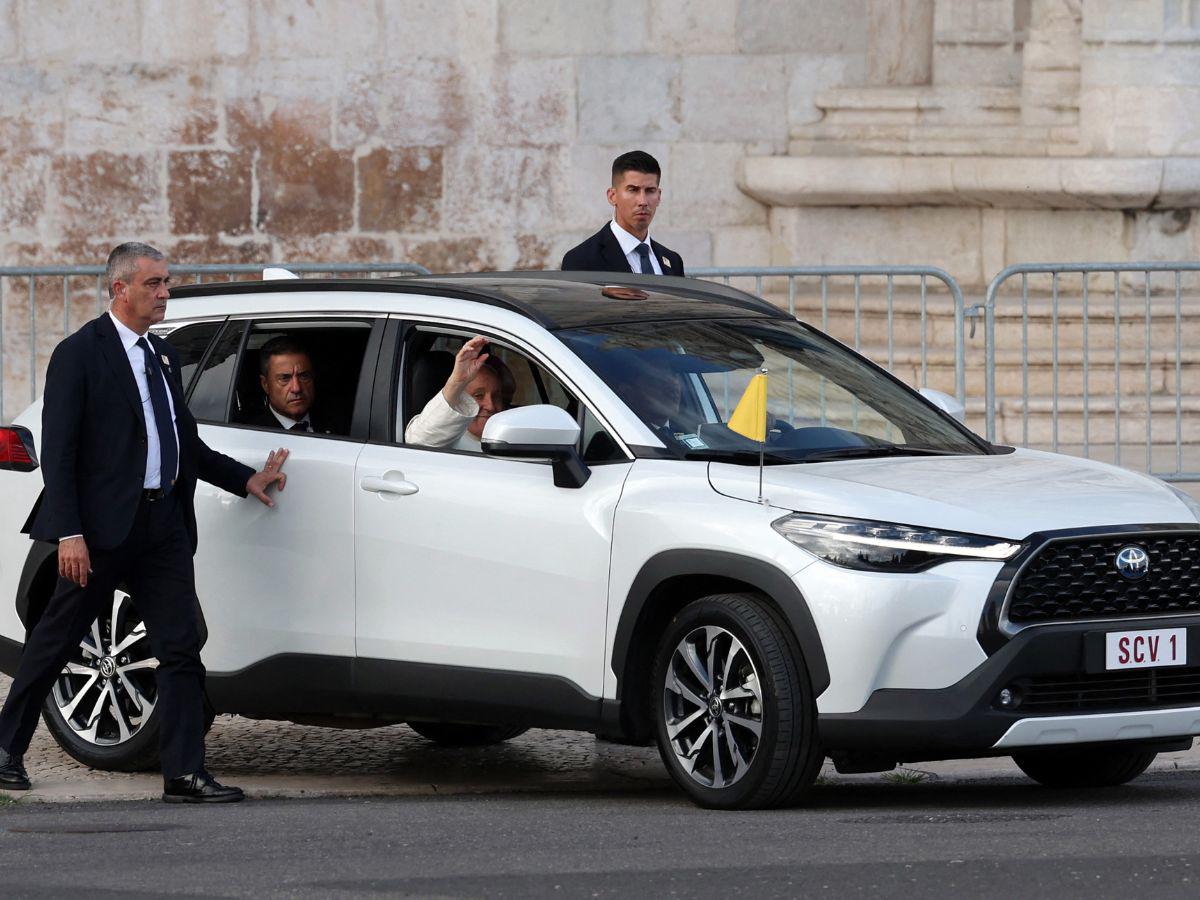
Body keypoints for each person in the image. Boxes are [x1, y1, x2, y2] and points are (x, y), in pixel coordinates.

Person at [0, 243, 288, 804]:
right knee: (54, 642)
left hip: (163, 526)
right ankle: (6, 749)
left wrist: (244, 479)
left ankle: (184, 774)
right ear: (120, 289)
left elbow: (184, 442)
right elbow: (59, 454)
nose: (164, 293)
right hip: (99, 533)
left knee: (181, 648)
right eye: (154, 283)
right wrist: (69, 534)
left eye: (166, 282)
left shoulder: (163, 355)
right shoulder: (79, 353)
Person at [561, 150, 685, 276]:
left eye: (650, 191)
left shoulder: (673, 261)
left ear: (658, 196)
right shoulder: (581, 260)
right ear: (612, 196)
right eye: (633, 190)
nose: (643, 201)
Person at [405, 336, 515, 451]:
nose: (490, 406)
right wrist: (456, 383)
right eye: (479, 395)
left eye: (496, 396)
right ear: (459, 401)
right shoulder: (446, 440)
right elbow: (418, 442)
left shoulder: (510, 436)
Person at [246, 336, 332, 434]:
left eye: (304, 376)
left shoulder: (339, 425)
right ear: (265, 384)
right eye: (284, 378)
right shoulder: (250, 434)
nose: (296, 388)